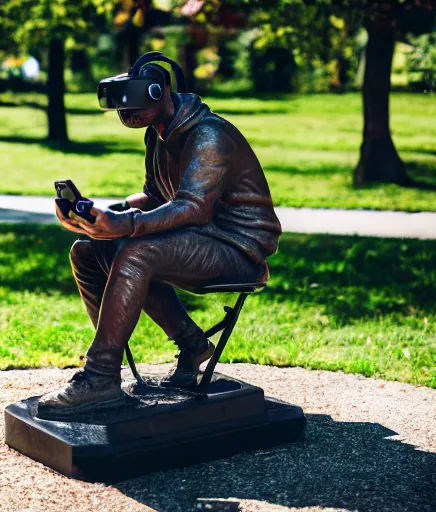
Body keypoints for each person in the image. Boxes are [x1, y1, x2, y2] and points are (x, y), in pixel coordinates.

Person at [38, 52, 282, 417]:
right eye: (122, 110)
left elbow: (192, 207)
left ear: (161, 92)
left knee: (137, 252)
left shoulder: (209, 135)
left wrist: (126, 225)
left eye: (135, 107)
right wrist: (102, 213)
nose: (128, 116)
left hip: (236, 247)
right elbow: (155, 196)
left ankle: (100, 377)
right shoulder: (159, 133)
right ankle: (189, 344)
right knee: (88, 251)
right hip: (199, 237)